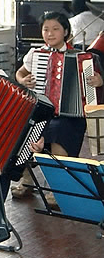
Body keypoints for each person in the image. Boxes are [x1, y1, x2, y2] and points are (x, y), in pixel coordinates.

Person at [13, 11, 103, 199]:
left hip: (71, 116)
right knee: (21, 129)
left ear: (66, 32)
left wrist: (98, 81)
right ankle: (28, 178)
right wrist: (24, 80)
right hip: (41, 112)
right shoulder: (35, 54)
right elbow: (19, 73)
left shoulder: (81, 57)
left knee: (60, 131)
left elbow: (94, 84)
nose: (50, 34)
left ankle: (58, 188)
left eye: (55, 29)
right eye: (46, 29)